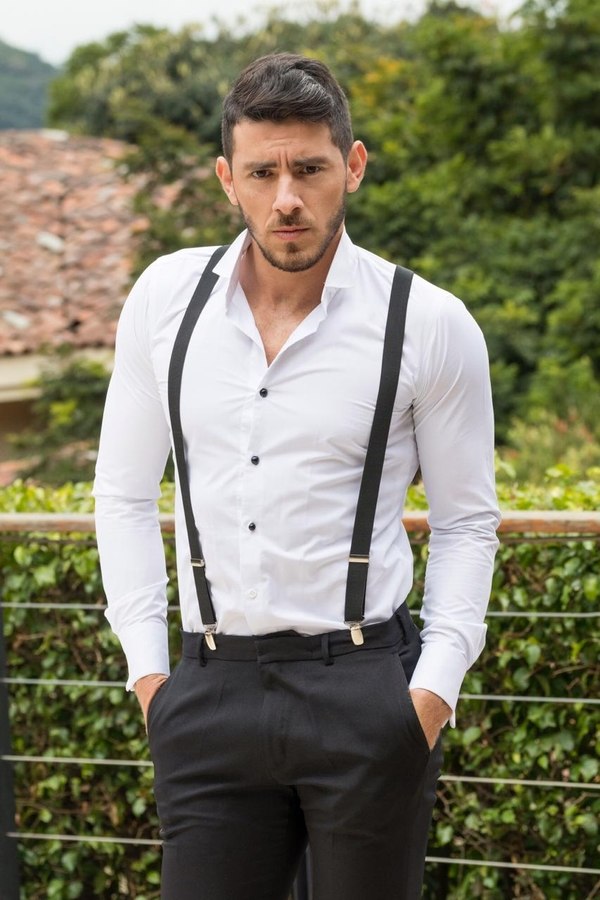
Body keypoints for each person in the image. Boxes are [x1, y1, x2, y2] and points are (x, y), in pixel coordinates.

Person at [94, 52, 500, 900]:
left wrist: (430, 693)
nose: (287, 198)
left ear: (352, 166)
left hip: (366, 692)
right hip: (207, 693)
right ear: (227, 179)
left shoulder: (428, 323)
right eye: (262, 173)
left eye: (309, 170)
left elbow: (466, 522)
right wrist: (150, 677)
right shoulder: (165, 301)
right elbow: (124, 495)